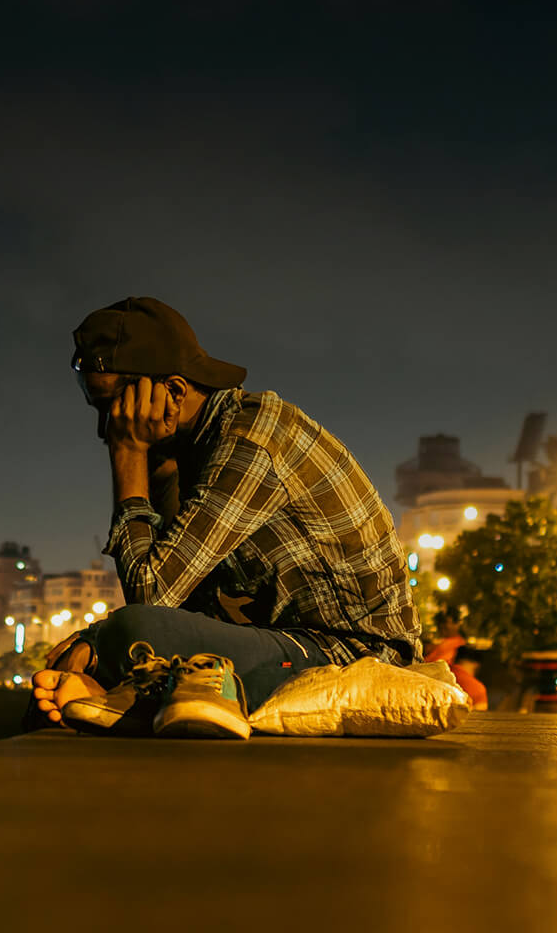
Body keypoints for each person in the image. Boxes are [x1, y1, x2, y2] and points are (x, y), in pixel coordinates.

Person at [30, 297, 421, 738]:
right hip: (287, 642)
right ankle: (128, 695)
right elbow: (187, 603)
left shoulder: (249, 441)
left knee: (133, 630)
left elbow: (151, 597)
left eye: (113, 408)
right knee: (122, 636)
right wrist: (159, 472)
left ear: (174, 392)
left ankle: (128, 693)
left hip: (355, 655)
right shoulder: (199, 446)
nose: (107, 429)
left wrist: (129, 454)